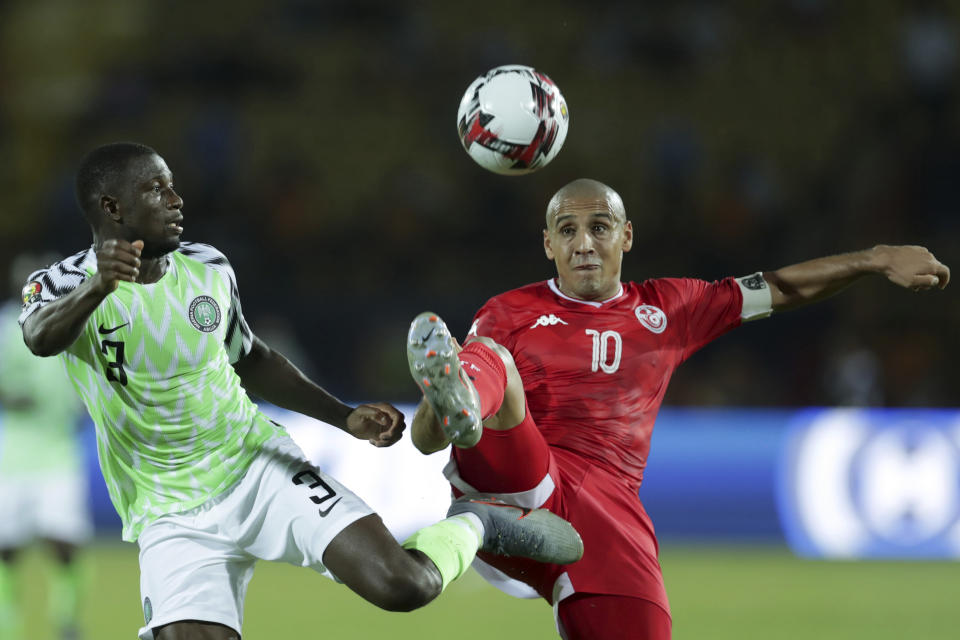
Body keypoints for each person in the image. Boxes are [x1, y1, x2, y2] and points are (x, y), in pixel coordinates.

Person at [18, 142, 583, 640]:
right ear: (111, 208)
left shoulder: (209, 267)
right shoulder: (63, 281)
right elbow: (40, 337)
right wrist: (99, 286)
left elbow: (253, 358)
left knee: (402, 585)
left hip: (255, 465)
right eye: (154, 188)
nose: (174, 198)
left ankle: (478, 523)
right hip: (169, 512)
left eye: (172, 185)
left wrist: (345, 417)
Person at [405, 178, 951, 640]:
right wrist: (454, 406)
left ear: (627, 235)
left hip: (605, 513)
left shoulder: (670, 307)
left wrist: (875, 259)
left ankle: (461, 450)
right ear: (548, 244)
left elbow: (780, 289)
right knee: (492, 356)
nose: (584, 243)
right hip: (520, 468)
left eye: (599, 226)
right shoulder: (511, 310)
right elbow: (440, 429)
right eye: (567, 231)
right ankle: (460, 402)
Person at [0, 254, 92, 640]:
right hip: (14, 454)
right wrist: (14, 395)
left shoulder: (69, 321)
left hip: (58, 451)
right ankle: (8, 619)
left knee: (65, 542)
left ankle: (65, 617)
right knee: (6, 548)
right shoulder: (7, 326)